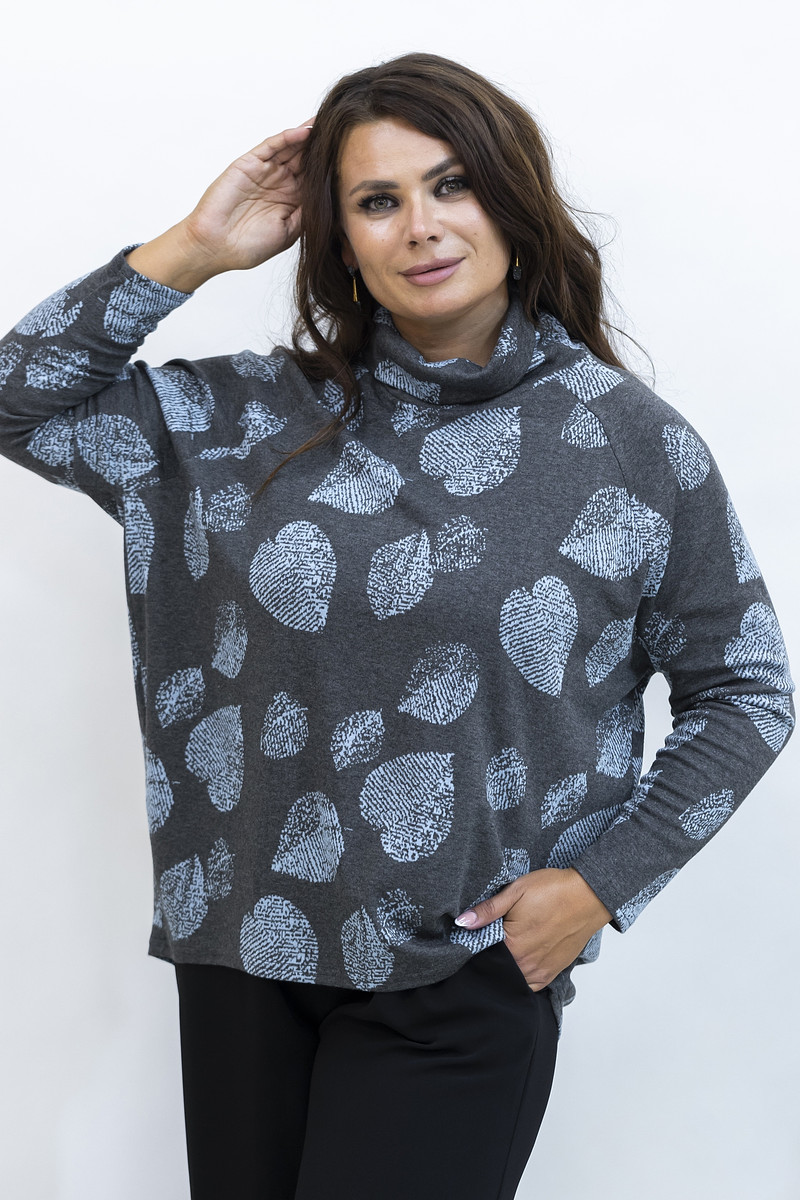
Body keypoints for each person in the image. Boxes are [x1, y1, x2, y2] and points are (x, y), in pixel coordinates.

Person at [0, 50, 794, 1200]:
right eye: (377, 200)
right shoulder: (240, 418)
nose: (419, 225)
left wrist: (596, 883)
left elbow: (745, 688)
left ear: (511, 204)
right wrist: (196, 245)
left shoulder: (625, 442)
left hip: (456, 973)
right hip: (243, 954)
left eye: (450, 185)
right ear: (341, 242)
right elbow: (19, 396)